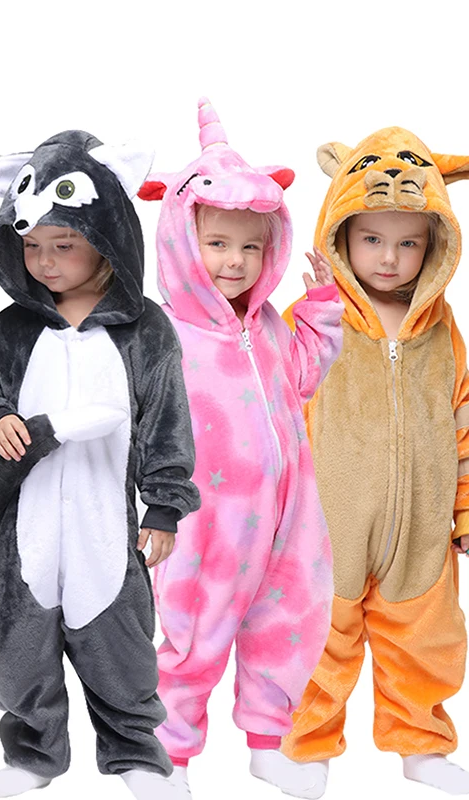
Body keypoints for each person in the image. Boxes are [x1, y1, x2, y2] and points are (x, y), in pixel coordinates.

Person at [0, 130, 200, 800]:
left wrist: (164, 506)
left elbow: (166, 420)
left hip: (104, 521)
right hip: (22, 525)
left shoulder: (143, 328)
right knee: (14, 649)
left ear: (106, 235)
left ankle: (137, 755)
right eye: (31, 245)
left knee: (120, 645)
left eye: (64, 245)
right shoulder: (12, 328)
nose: (45, 261)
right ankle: (34, 754)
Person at [138, 98, 343, 799]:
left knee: (289, 625)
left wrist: (320, 311)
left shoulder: (270, 325)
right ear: (182, 243)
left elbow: (303, 378)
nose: (235, 261)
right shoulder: (165, 334)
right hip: (209, 521)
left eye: (251, 247)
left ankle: (268, 743)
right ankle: (168, 754)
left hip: (289, 514)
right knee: (193, 637)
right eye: (218, 244)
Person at [279, 128, 469, 798]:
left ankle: (421, 744)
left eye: (409, 242)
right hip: (326, 526)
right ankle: (305, 747)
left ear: (435, 245)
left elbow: (463, 420)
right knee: (316, 638)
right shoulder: (312, 317)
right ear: (340, 234)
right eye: (371, 239)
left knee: (425, 636)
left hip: (422, 530)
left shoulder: (442, 330)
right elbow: (276, 413)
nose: (389, 258)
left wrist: (464, 510)